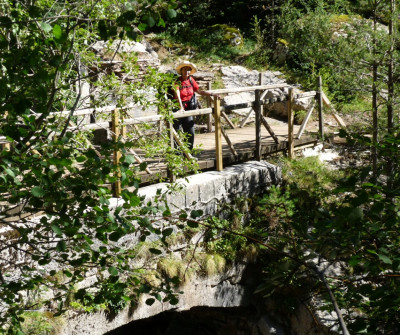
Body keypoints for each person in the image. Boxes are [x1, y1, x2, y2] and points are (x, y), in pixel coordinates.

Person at [173, 61, 219, 151]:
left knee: (190, 131)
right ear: (181, 70)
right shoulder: (177, 81)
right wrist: (180, 107)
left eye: (189, 70)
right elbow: (177, 93)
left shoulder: (191, 80)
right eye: (185, 69)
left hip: (188, 110)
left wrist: (212, 94)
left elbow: (200, 92)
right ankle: (176, 155)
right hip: (177, 109)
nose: (187, 72)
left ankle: (188, 153)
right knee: (176, 132)